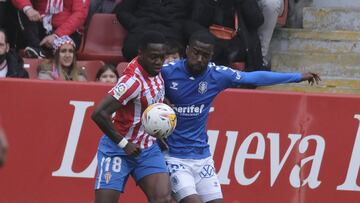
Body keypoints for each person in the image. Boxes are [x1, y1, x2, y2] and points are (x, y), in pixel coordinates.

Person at [161, 30, 321, 203]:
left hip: (202, 157)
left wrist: (297, 77)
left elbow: (254, 77)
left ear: (211, 56)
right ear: (187, 50)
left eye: (205, 55)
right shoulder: (167, 73)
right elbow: (139, 82)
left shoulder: (217, 75)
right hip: (175, 156)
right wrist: (158, 100)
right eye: (196, 53)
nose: (199, 59)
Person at [91, 31, 172, 203]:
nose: (158, 62)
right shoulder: (132, 82)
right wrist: (124, 144)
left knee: (163, 199)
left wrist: (161, 121)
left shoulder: (156, 70)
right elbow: (98, 114)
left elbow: (152, 98)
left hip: (147, 148)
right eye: (154, 57)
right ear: (140, 53)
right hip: (117, 150)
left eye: (162, 57)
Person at [12, 0, 90, 58]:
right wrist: (28, 9)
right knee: (23, 8)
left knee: (64, 47)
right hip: (42, 26)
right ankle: (36, 50)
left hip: (68, 32)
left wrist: (56, 35)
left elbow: (80, 14)